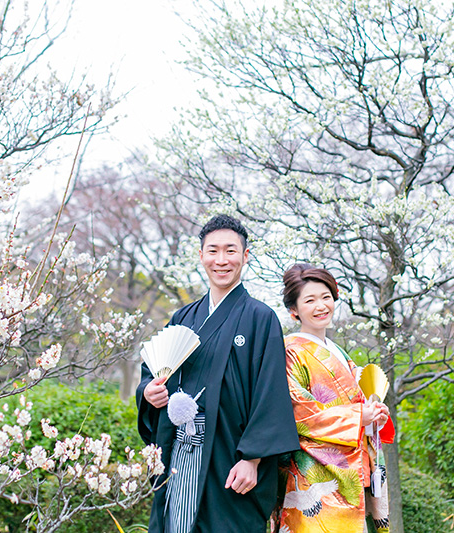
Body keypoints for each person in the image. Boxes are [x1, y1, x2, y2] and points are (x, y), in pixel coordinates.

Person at [136, 214, 300, 533]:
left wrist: (252, 459)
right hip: (180, 450)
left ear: (245, 256)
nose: (221, 260)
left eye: (230, 250)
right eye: (213, 251)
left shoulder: (260, 318)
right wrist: (148, 392)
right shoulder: (183, 317)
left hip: (230, 455)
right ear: (201, 256)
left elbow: (270, 393)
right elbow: (152, 372)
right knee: (176, 524)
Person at [277, 263, 395, 533]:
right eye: (310, 300)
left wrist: (373, 415)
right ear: (294, 309)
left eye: (326, 297)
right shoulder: (290, 351)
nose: (321, 306)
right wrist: (357, 417)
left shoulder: (338, 351)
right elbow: (298, 411)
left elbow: (359, 402)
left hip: (351, 471)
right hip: (314, 472)